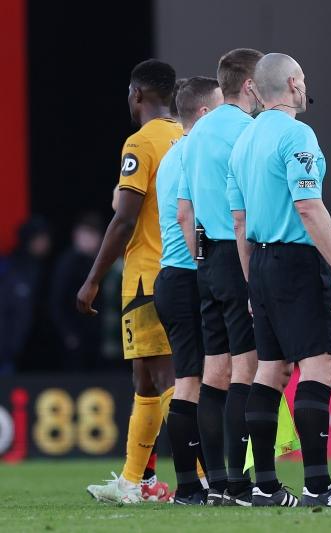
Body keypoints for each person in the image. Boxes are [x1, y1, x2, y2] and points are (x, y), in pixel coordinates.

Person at [227, 52, 331, 507]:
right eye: (303, 79)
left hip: (261, 263)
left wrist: (252, 286)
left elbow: (239, 223)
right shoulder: (297, 134)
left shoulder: (243, 142)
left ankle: (265, 486)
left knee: (270, 371)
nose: (306, 86)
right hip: (296, 264)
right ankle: (318, 486)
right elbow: (307, 206)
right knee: (319, 367)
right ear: (293, 83)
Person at [77, 59, 182, 504]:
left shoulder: (141, 141)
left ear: (137, 94)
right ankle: (135, 480)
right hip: (181, 268)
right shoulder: (185, 136)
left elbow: (124, 219)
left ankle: (205, 477)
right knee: (145, 379)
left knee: (166, 377)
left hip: (147, 274)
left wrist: (92, 279)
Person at [176, 48, 263, 506]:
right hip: (239, 253)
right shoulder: (249, 131)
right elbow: (252, 204)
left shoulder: (194, 135)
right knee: (247, 368)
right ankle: (240, 483)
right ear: (250, 84)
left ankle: (215, 484)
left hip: (207, 258)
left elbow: (184, 211)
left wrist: (202, 261)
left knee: (215, 371)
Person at [154, 76, 224, 505]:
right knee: (199, 381)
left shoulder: (172, 154)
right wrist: (206, 265)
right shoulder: (195, 152)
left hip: (173, 276)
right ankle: (202, 482)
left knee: (192, 379)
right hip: (187, 277)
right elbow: (186, 216)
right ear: (204, 112)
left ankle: (197, 483)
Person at [50, 214, 105, 370]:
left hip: (100, 338)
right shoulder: (67, 264)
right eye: (85, 234)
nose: (89, 239)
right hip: (75, 337)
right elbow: (57, 302)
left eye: (93, 234)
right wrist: (68, 333)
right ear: (76, 235)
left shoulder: (103, 262)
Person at [0, 216, 53, 375]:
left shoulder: (46, 268)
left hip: (33, 351)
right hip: (9, 351)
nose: (45, 243)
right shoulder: (12, 268)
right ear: (29, 240)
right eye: (40, 238)